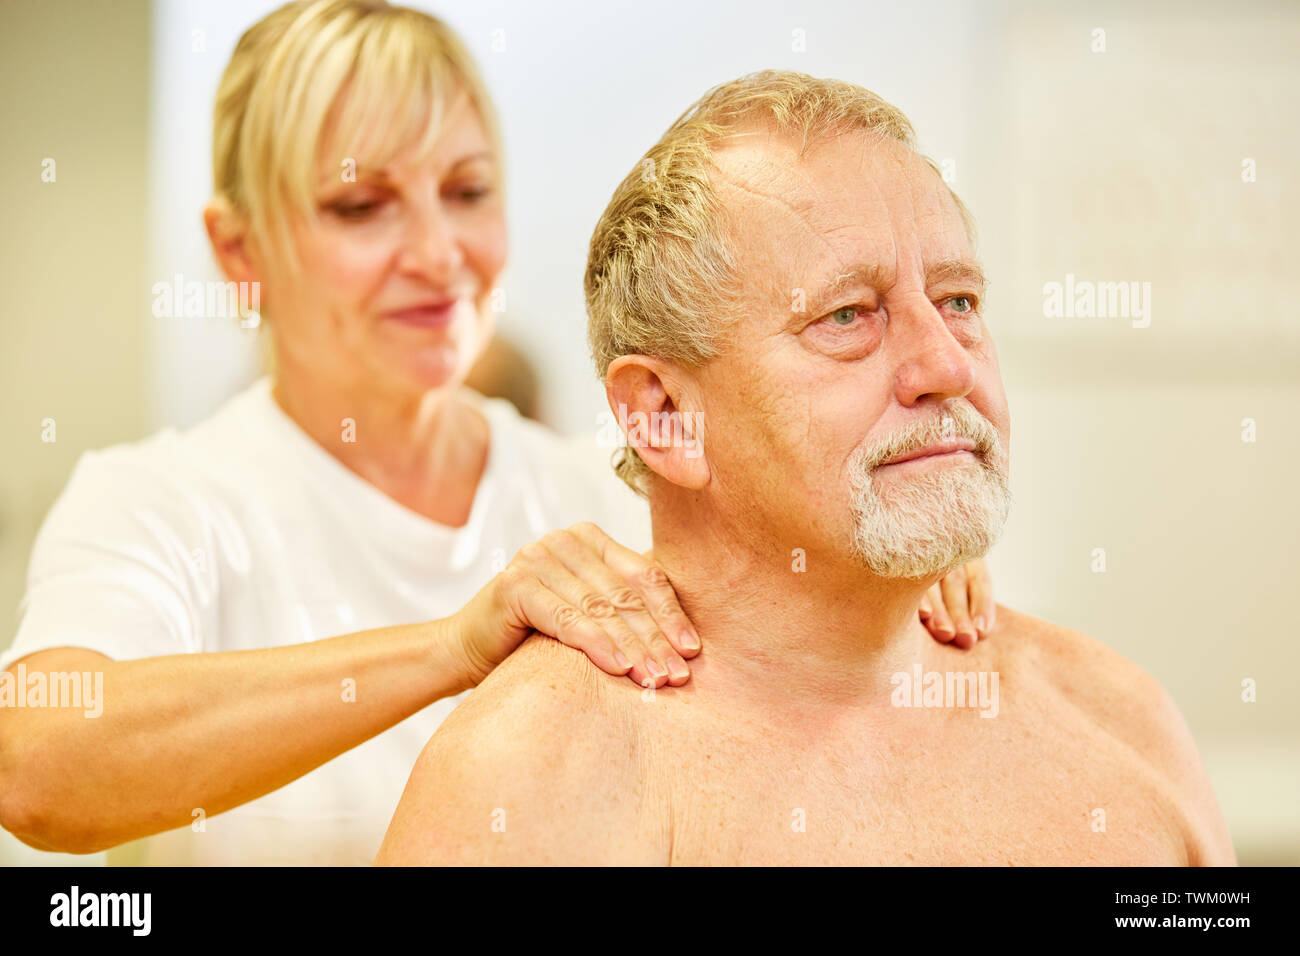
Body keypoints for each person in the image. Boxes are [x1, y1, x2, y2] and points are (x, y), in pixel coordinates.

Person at [0, 4, 994, 865]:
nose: (438, 254)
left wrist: (888, 568)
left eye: (467, 192)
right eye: (362, 206)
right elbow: (40, 765)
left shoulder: (603, 493)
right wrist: (448, 647)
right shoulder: (164, 502)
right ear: (238, 247)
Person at [376, 70, 1236, 866]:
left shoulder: (1124, 725)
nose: (947, 366)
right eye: (847, 316)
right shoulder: (528, 789)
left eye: (959, 302)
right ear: (666, 416)